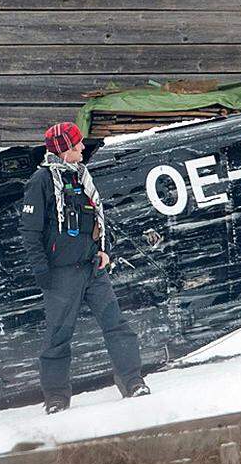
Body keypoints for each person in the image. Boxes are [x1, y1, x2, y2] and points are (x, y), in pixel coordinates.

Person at [21, 122, 149, 414]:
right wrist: (43, 272)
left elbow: (97, 218)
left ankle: (133, 381)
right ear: (64, 149)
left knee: (116, 325)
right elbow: (29, 232)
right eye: (77, 144)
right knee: (58, 337)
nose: (81, 148)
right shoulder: (40, 181)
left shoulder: (81, 176)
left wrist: (104, 251)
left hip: (93, 269)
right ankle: (56, 398)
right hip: (61, 275)